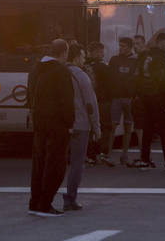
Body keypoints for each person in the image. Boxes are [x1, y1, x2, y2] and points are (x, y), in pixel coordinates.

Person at [28, 39, 74, 217]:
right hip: (58, 124)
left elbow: (29, 95)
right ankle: (46, 203)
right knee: (55, 164)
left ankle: (35, 201)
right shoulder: (61, 71)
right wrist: (70, 123)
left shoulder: (35, 69)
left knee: (39, 163)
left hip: (39, 123)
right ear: (63, 53)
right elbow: (66, 100)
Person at [134, 32, 165, 170]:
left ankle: (145, 160)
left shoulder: (147, 55)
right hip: (160, 97)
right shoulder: (162, 58)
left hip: (146, 96)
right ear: (160, 43)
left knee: (148, 129)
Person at [64, 44, 100, 211]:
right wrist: (96, 126)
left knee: (56, 162)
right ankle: (70, 197)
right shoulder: (81, 76)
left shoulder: (58, 73)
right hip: (80, 124)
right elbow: (90, 104)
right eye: (83, 57)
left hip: (61, 125)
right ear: (77, 57)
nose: (84, 60)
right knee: (77, 163)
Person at [108, 37, 138, 167]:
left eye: (124, 46)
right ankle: (107, 155)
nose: (121, 48)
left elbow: (137, 78)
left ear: (130, 47)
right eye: (120, 46)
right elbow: (109, 77)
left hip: (130, 98)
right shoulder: (114, 60)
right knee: (112, 126)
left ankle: (124, 155)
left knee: (128, 127)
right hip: (116, 96)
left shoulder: (135, 61)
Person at [85, 42, 113, 167]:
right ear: (95, 52)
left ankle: (90, 155)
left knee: (91, 128)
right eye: (100, 51)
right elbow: (111, 84)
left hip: (89, 101)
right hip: (103, 101)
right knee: (105, 127)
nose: (102, 53)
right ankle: (103, 153)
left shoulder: (86, 67)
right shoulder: (104, 67)